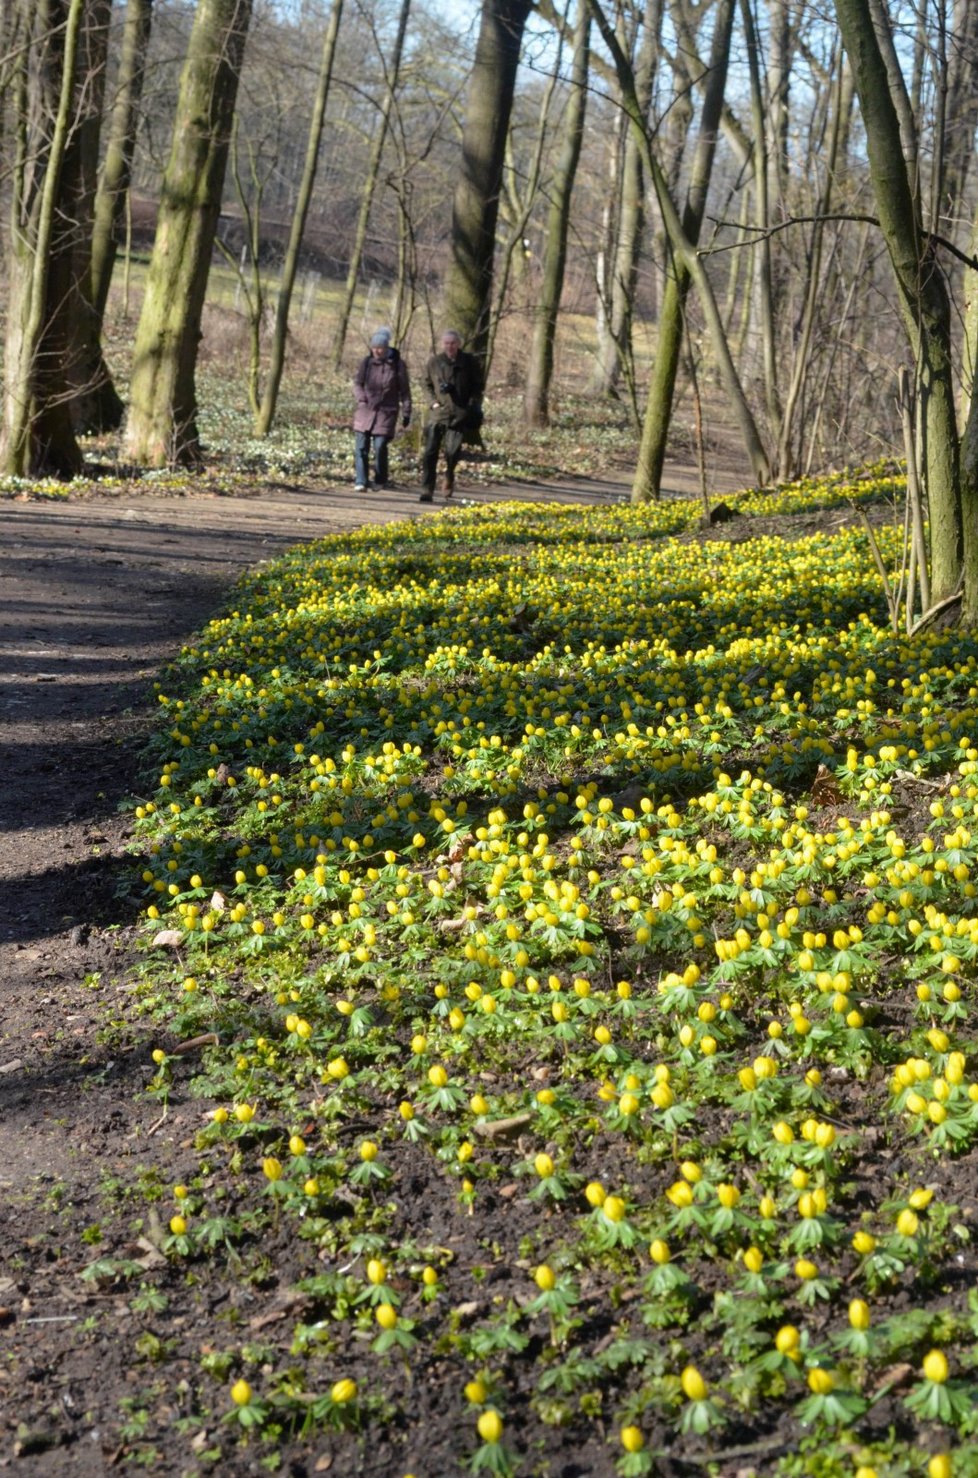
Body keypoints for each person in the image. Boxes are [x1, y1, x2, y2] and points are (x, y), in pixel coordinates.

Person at [419, 329, 483, 503]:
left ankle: (449, 475)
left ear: (459, 344)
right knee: (430, 453)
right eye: (447, 343)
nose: (450, 347)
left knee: (452, 452)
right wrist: (432, 402)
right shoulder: (434, 362)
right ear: (443, 344)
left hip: (459, 414)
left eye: (453, 343)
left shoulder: (469, 362)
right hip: (438, 414)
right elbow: (426, 384)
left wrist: (472, 403)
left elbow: (478, 386)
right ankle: (427, 489)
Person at [352, 328, 411, 491]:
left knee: (380, 446)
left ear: (386, 348)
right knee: (361, 448)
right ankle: (361, 481)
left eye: (380, 348)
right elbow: (357, 384)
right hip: (365, 411)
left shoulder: (397, 365)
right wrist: (361, 398)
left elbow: (405, 391)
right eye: (374, 348)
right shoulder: (366, 363)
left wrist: (407, 412)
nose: (377, 351)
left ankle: (380, 479)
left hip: (386, 412)